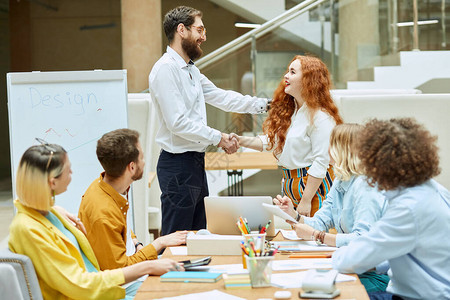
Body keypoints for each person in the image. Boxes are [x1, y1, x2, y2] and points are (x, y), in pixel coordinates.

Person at [149, 6, 270, 235]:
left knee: (198, 236)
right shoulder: (165, 70)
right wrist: (220, 138)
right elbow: (178, 123)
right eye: (200, 30)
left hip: (194, 163)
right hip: (177, 166)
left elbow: (223, 98)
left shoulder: (191, 70)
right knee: (177, 239)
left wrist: (266, 105)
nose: (204, 37)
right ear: (181, 30)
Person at [8, 142, 183, 300]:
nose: (72, 173)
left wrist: (53, 209)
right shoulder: (29, 229)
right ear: (52, 183)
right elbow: (80, 284)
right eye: (68, 170)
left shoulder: (44, 213)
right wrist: (147, 266)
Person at [332, 118, 450, 300]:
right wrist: (375, 263)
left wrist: (330, 256)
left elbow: (351, 260)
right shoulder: (432, 190)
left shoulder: (408, 207)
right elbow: (411, 250)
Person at [274, 123, 389, 292]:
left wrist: (317, 236)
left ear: (343, 149)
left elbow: (362, 240)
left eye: (331, 144)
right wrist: (294, 215)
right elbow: (321, 221)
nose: (327, 149)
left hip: (373, 276)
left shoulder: (367, 187)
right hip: (351, 268)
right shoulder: (341, 180)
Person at [233, 55, 343, 216]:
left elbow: (321, 162)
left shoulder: (321, 117)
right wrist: (240, 140)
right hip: (291, 182)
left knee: (313, 235)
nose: (286, 76)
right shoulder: (293, 112)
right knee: (296, 236)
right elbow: (271, 142)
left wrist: (306, 201)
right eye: (288, 71)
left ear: (308, 80)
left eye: (292, 72)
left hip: (311, 187)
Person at [79, 129, 187, 270]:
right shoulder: (103, 214)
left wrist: (136, 243)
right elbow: (120, 272)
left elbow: (121, 226)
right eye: (141, 157)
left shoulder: (110, 186)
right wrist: (159, 243)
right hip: (126, 282)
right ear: (131, 166)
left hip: (134, 264)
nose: (144, 162)